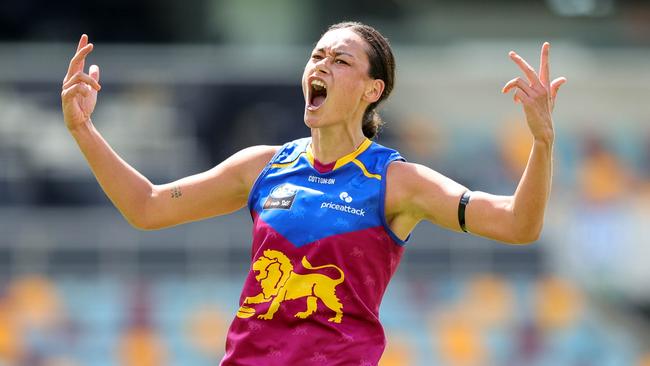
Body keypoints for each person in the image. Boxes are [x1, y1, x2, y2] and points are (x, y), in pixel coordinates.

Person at [61, 21, 566, 365]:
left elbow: (517, 224)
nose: (321, 65)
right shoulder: (263, 165)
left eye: (341, 60)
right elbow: (147, 207)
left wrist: (541, 143)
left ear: (373, 90)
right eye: (316, 56)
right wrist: (84, 130)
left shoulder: (396, 181)